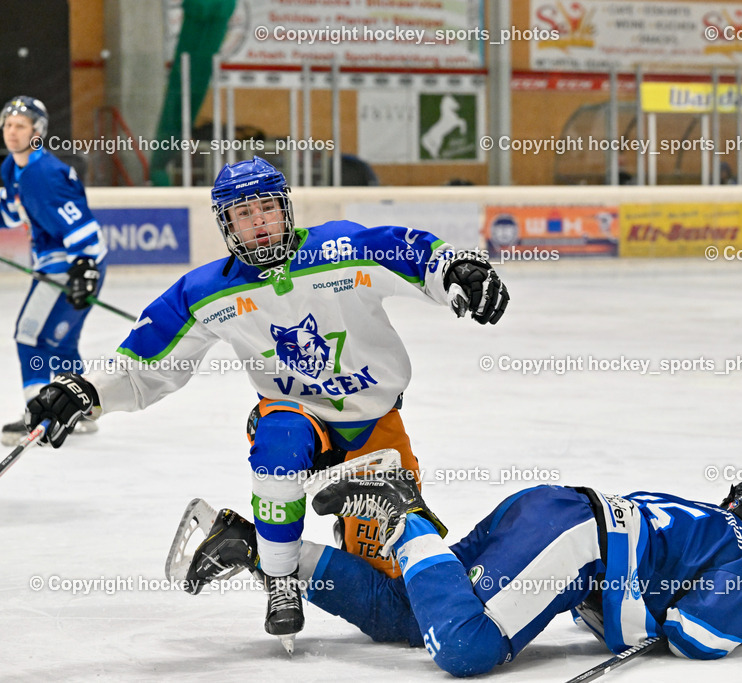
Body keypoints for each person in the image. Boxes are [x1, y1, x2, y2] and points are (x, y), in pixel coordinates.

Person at [21, 156, 510, 643]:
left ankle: (247, 543)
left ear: (285, 209)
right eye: (243, 215)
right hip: (296, 417)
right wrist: (84, 391)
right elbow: (143, 369)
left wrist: (454, 270)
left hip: (373, 428)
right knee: (278, 445)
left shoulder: (339, 249)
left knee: (395, 603)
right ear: (226, 225)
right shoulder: (205, 291)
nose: (258, 223)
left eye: (266, 210)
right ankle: (280, 580)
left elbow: (404, 250)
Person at [185, 463, 742, 674]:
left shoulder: (697, 518)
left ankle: (260, 550)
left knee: (408, 613)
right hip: (576, 539)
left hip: (549, 511)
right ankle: (406, 517)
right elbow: (699, 638)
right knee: (465, 648)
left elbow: (607, 605)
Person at [0, 96, 106, 446]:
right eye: (8, 124)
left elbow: (80, 222)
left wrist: (85, 265)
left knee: (29, 334)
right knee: (62, 342)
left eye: (20, 126)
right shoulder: (12, 169)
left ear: (37, 131)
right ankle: (81, 411)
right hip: (67, 264)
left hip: (70, 264)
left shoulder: (44, 173)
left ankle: (37, 412)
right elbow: (12, 216)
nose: (11, 131)